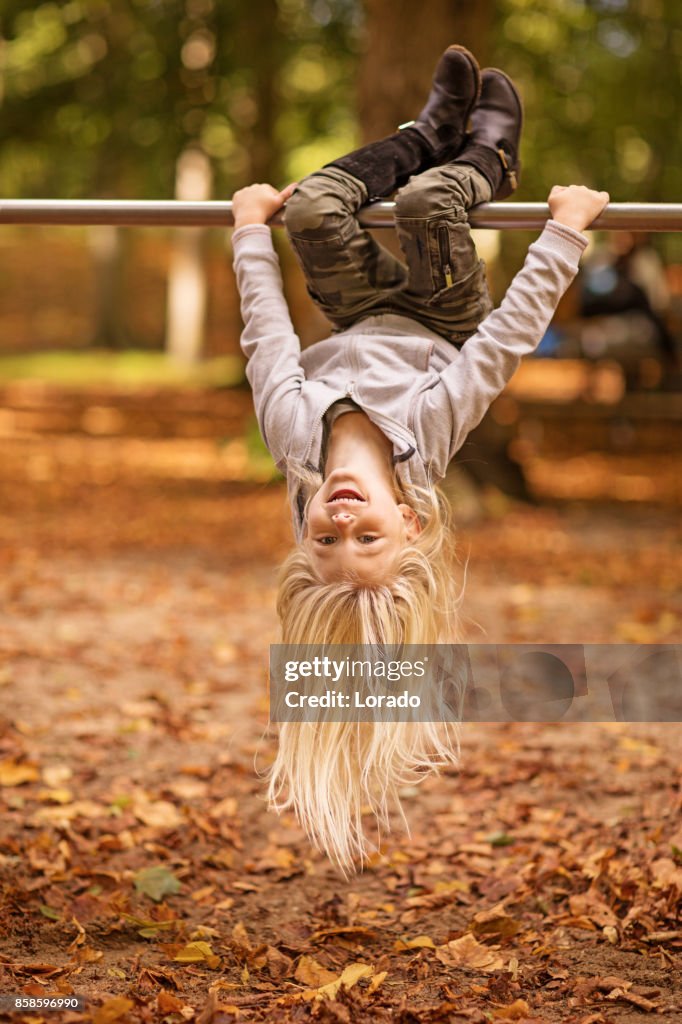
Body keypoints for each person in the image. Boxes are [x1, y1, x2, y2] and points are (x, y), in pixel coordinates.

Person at [230, 45, 609, 870]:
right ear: (407, 521)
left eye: (324, 544)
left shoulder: (294, 441)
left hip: (355, 313)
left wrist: (248, 232)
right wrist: (563, 234)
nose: (340, 523)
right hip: (444, 319)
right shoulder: (428, 440)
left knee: (313, 211)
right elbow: (503, 345)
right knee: (434, 203)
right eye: (366, 541)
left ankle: (428, 128)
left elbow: (267, 338)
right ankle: (486, 158)